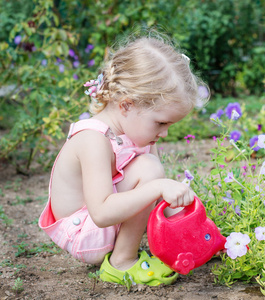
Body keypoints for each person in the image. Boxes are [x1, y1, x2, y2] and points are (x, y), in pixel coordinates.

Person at [38, 34, 208, 287]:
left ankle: (138, 249)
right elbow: (103, 213)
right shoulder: (93, 140)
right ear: (126, 105)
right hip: (85, 233)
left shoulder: (135, 133)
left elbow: (154, 189)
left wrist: (192, 225)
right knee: (150, 169)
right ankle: (121, 262)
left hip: (101, 224)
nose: (164, 133)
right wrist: (157, 187)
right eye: (161, 123)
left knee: (152, 169)